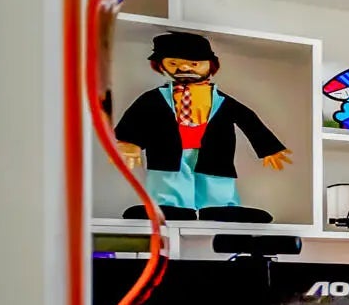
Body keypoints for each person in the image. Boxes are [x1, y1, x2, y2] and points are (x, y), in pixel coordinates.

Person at [111, 29, 291, 220]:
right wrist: (129, 143)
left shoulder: (223, 101)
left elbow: (248, 119)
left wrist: (268, 147)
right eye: (173, 63)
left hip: (214, 149)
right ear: (161, 65)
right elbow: (136, 117)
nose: (184, 68)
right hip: (166, 148)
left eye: (194, 63)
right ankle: (169, 207)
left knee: (215, 180)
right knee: (168, 179)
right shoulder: (153, 98)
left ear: (211, 64)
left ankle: (219, 207)